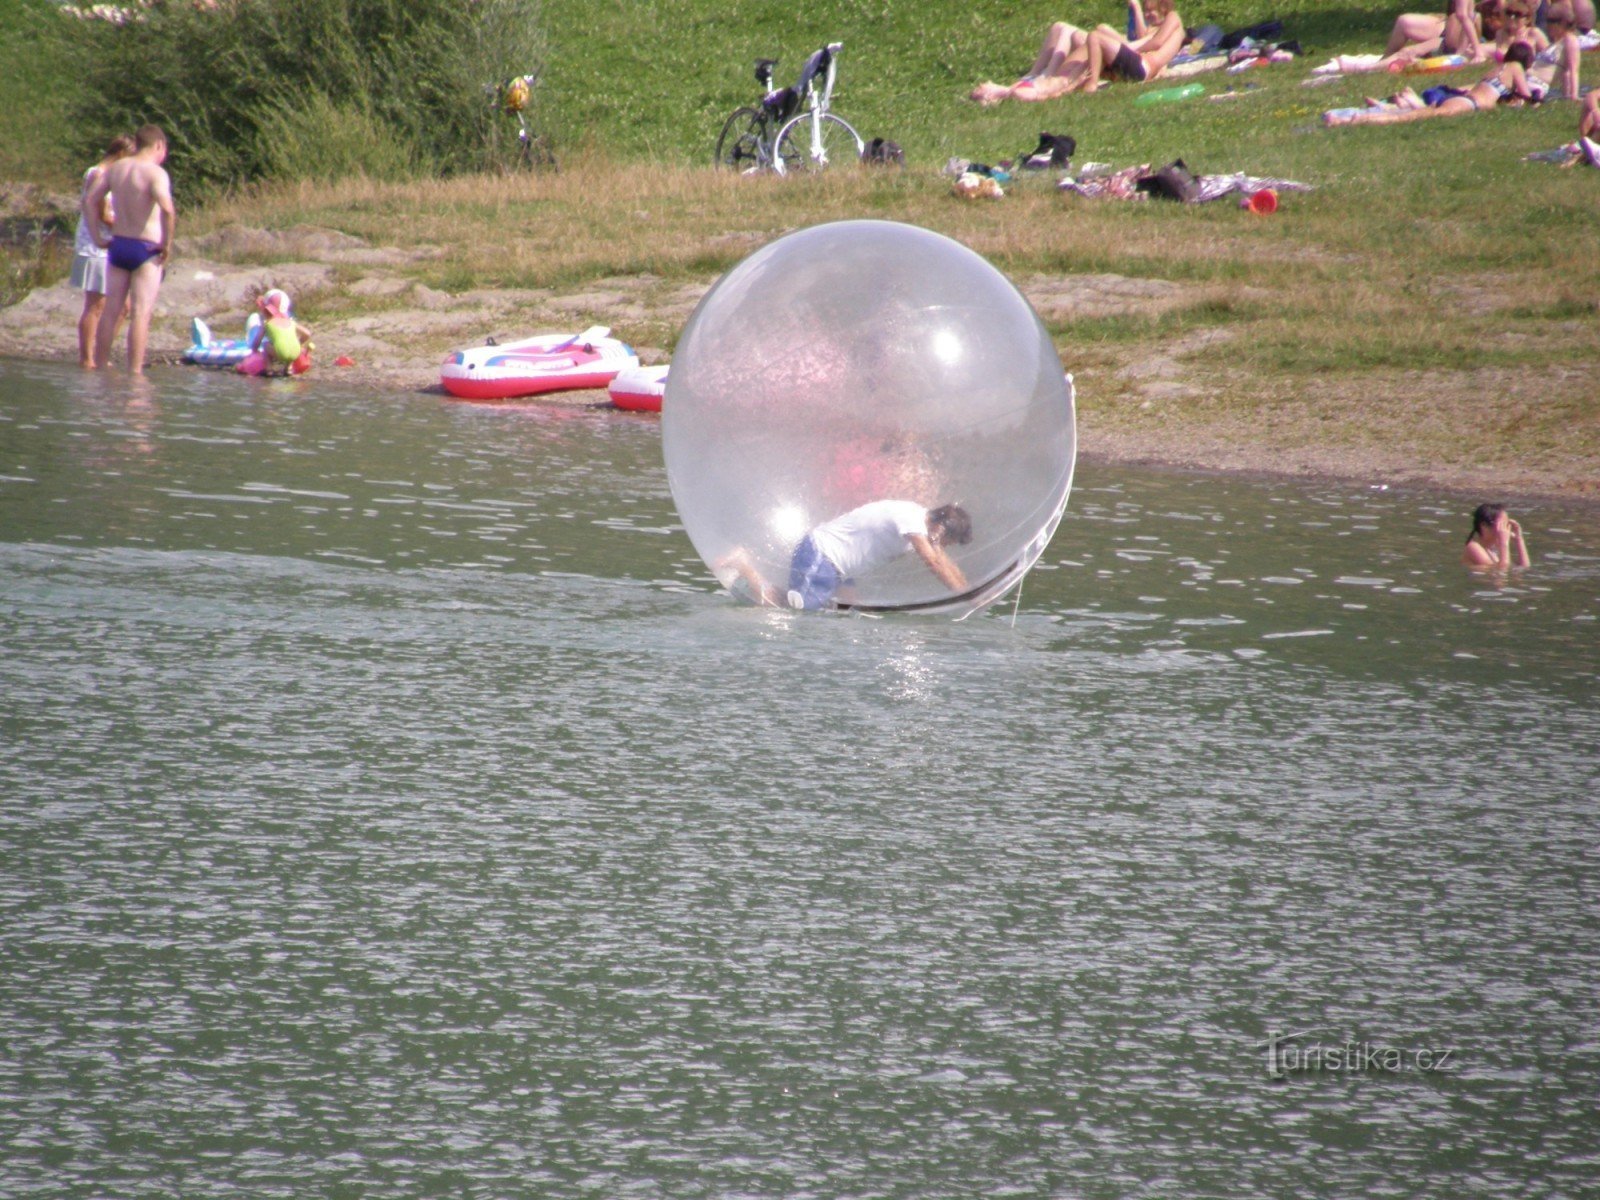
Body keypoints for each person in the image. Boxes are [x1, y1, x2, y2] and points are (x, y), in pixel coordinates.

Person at [718, 500, 972, 610]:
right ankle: (745, 565)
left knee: (848, 611)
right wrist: (967, 596)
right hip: (821, 555)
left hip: (839, 569)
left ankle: (764, 584)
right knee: (794, 610)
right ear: (940, 528)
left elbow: (943, 561)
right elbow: (933, 561)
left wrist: (969, 591)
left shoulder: (921, 521)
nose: (945, 547)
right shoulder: (912, 520)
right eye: (948, 540)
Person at [84, 124, 176, 375]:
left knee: (111, 310)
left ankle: (100, 366)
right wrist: (166, 244)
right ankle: (135, 373)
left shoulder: (116, 169)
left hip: (119, 245)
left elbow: (90, 200)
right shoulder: (155, 173)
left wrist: (97, 237)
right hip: (146, 248)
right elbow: (167, 209)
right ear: (159, 146)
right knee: (140, 313)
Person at [1325, 42, 1534, 122]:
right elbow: (1526, 97)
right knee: (1411, 117)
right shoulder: (1516, 69)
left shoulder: (1498, 68)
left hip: (1462, 99)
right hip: (1470, 104)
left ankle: (1379, 110)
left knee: (1415, 114)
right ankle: (1355, 120)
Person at [71, 134, 134, 369]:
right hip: (95, 245)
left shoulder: (111, 176)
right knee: (96, 305)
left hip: (110, 245)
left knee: (123, 307)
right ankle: (87, 359)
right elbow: (103, 215)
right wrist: (131, 227)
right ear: (120, 154)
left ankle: (100, 354)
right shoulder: (98, 174)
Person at [1073, 0, 1188, 94]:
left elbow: (1157, 43)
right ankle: (1072, 84)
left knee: (1095, 37)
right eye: (1146, 11)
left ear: (1163, 7)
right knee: (1095, 40)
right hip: (1141, 68)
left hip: (1142, 66)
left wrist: (1131, 50)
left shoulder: (1173, 16)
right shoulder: (1155, 28)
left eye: (1151, 10)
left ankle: (1091, 84)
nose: (1147, 14)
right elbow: (1147, 39)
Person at [970, 22, 1090, 105]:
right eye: (979, 89)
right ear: (989, 97)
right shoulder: (1017, 93)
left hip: (1039, 74)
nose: (981, 84)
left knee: (1058, 26)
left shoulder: (1014, 87)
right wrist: (1074, 84)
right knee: (1067, 32)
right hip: (1050, 76)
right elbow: (1047, 96)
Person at [1380, 0, 1490, 67]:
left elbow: (1464, 17)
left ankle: (1374, 66)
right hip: (1454, 41)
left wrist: (1477, 51)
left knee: (1408, 52)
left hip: (1454, 43)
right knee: (1409, 51)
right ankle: (1382, 62)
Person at [1462, 503, 1531, 567]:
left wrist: (1519, 540)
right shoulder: (1473, 547)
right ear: (1484, 526)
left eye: (1507, 524)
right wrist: (1503, 543)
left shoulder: (1492, 550)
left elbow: (1524, 568)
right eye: (1502, 525)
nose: (1506, 529)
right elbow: (1502, 573)